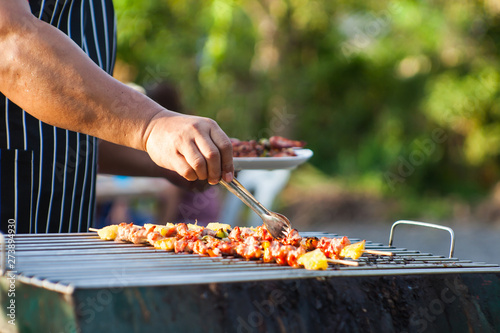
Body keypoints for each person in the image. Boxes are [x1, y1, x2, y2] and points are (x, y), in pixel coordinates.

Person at [0, 0, 233, 233]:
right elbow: (7, 42)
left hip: (66, 239)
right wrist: (152, 125)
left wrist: (170, 159)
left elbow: (75, 129)